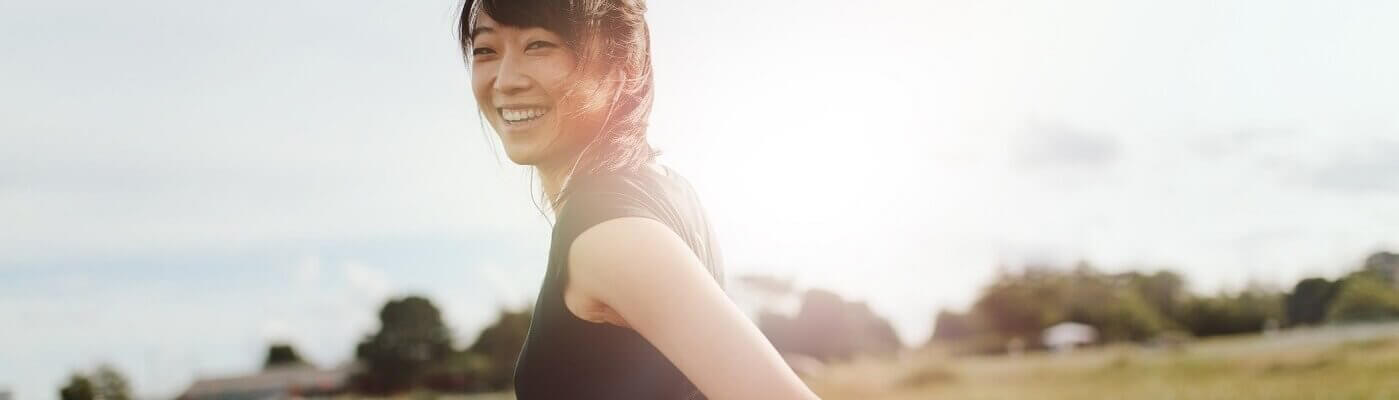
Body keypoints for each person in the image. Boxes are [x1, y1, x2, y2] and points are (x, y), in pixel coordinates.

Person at [457, 1, 821, 399]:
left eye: (540, 45)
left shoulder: (608, 234)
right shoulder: (666, 190)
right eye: (485, 50)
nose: (505, 80)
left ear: (616, 72)